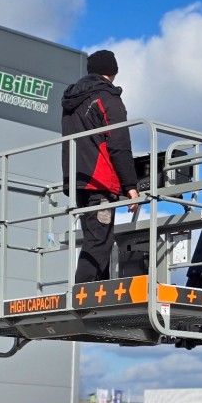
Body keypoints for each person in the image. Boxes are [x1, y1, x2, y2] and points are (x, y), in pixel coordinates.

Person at [61, 49, 139, 283]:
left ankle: (96, 291)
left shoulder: (71, 101)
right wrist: (130, 185)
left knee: (94, 238)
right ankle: (81, 296)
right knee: (99, 241)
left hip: (78, 179)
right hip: (100, 181)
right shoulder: (107, 97)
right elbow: (119, 143)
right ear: (113, 71)